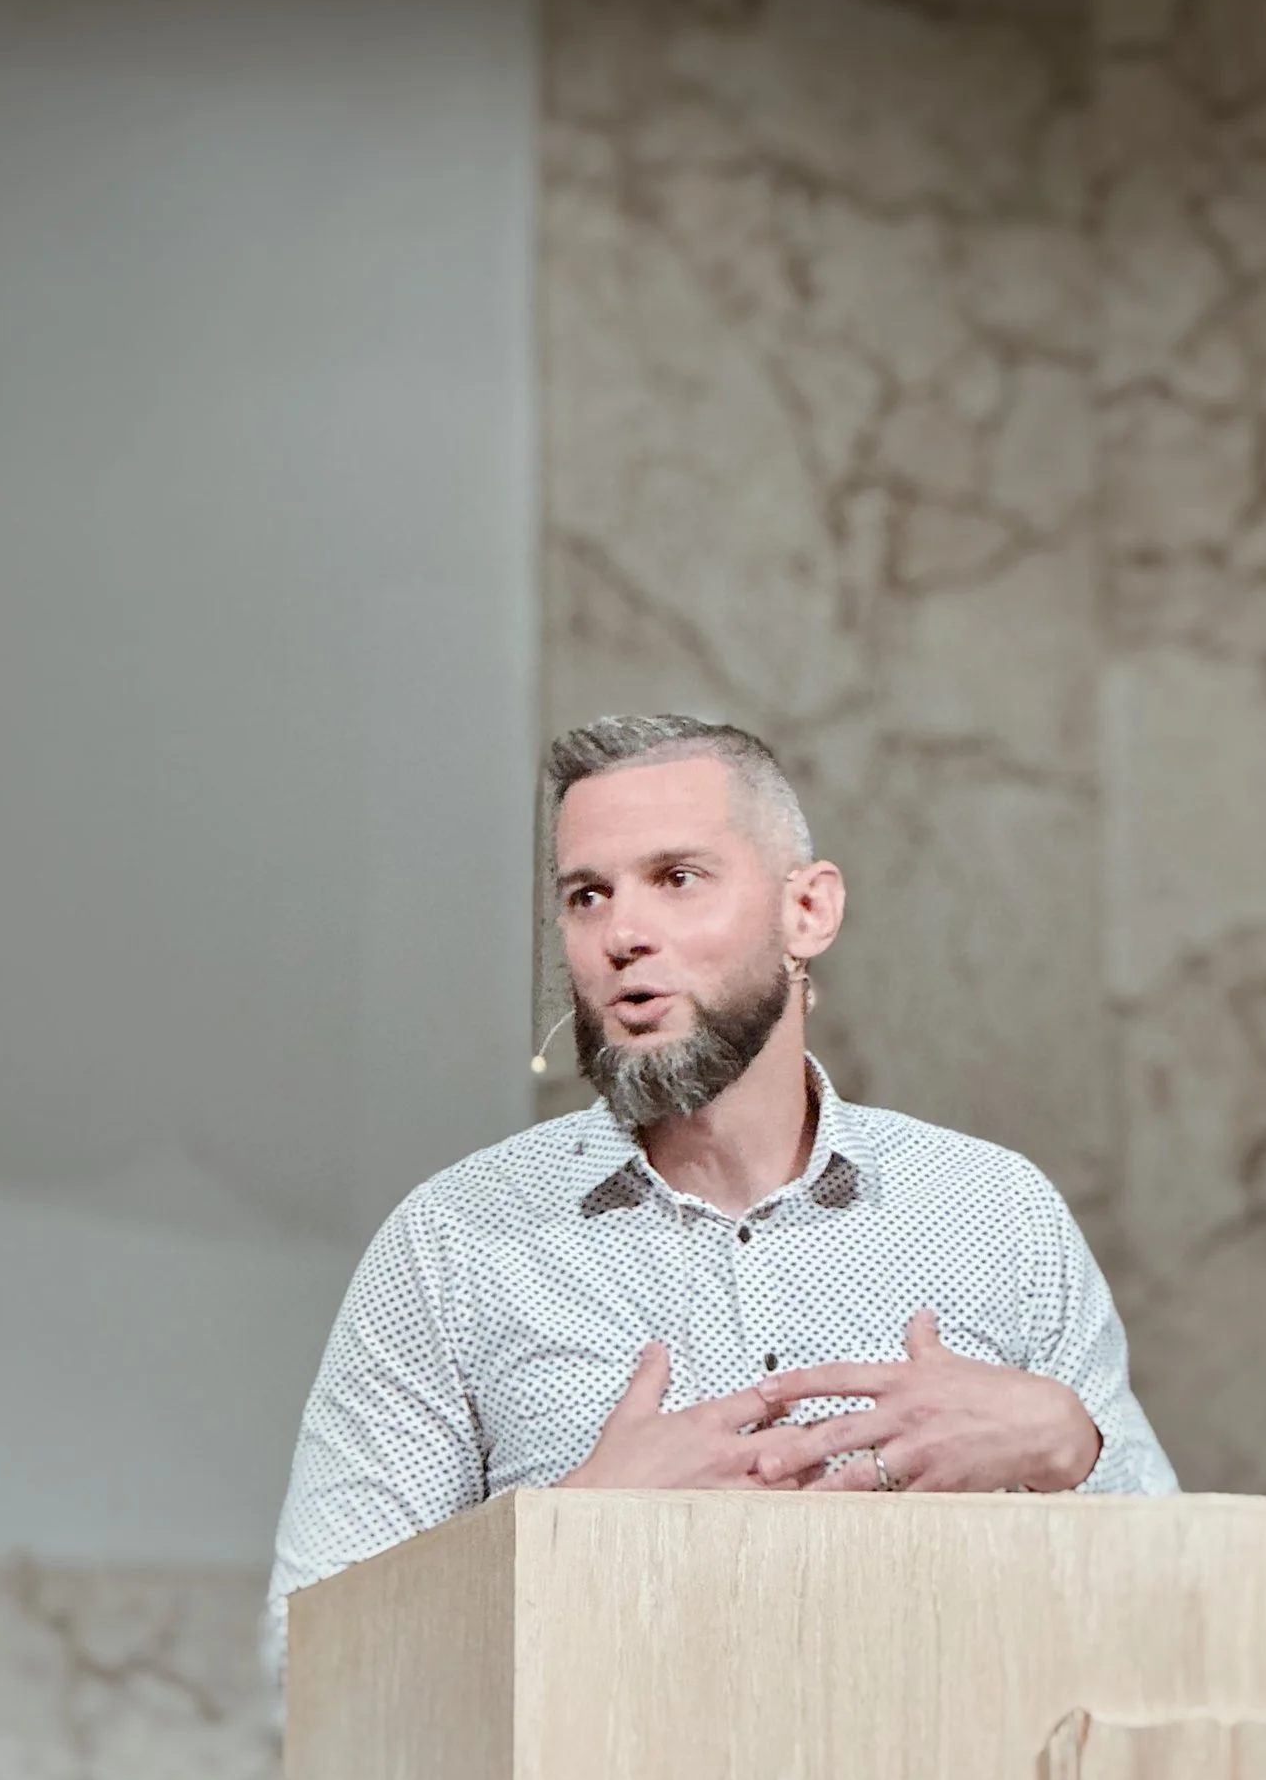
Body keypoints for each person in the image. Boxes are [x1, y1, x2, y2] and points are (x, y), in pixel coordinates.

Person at [266, 713, 1176, 1674]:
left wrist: (1071, 1448)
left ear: (808, 911)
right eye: (586, 895)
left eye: (677, 877)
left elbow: (1175, 1605)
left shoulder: (996, 1211)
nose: (622, 934)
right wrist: (574, 1528)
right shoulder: (456, 1242)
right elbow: (311, 1657)